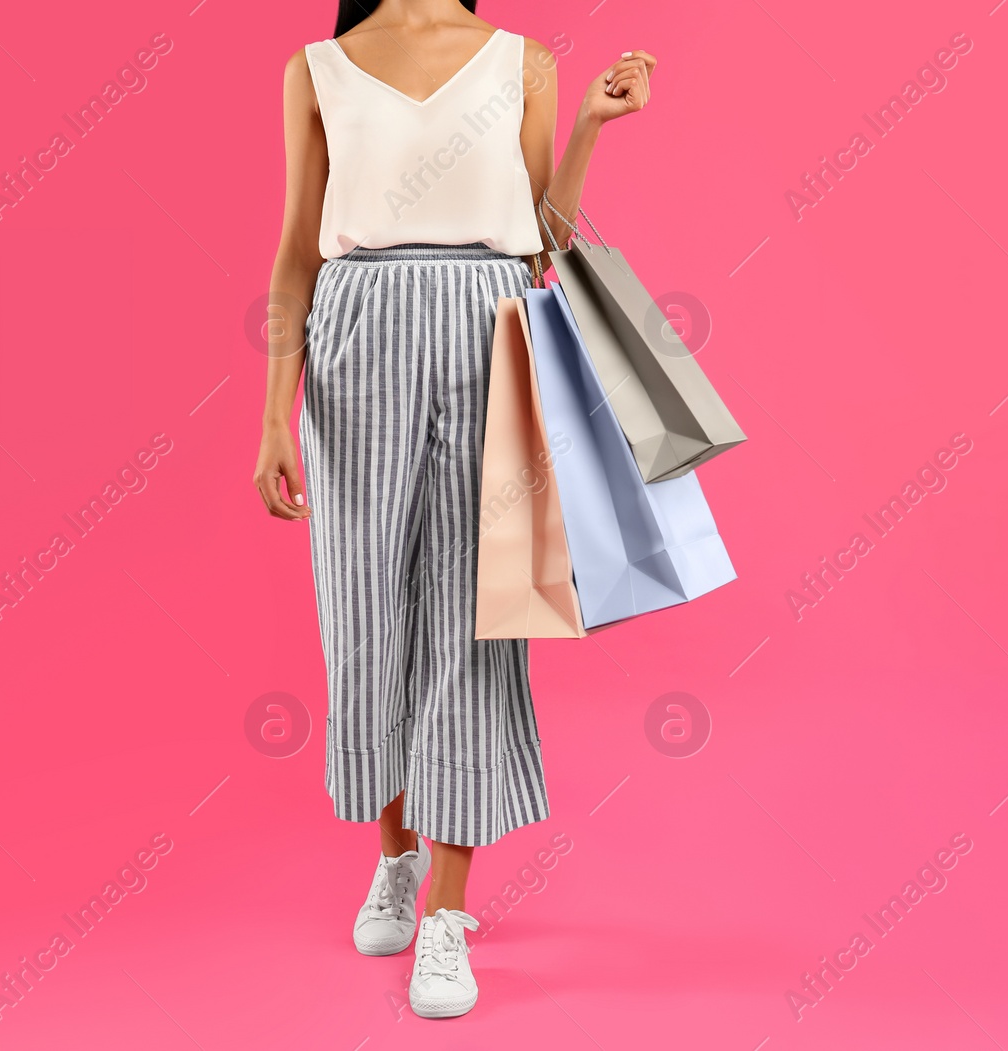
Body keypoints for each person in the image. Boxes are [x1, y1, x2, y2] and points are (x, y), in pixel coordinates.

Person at [252, 0, 655, 1019]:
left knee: (478, 622)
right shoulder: (316, 68)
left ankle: (447, 910)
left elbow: (538, 239)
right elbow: (297, 250)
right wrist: (271, 419)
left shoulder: (524, 62)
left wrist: (593, 129)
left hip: (487, 328)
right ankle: (392, 852)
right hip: (356, 338)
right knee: (363, 619)